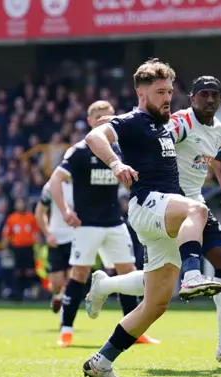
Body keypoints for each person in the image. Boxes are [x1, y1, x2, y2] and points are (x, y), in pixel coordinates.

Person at [85, 76, 221, 365]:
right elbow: (152, 132)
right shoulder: (179, 123)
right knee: (167, 277)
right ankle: (192, 277)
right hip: (167, 203)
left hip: (191, 205)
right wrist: (119, 134)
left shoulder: (218, 131)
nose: (208, 100)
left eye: (214, 95)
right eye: (202, 94)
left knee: (190, 278)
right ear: (191, 98)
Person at [81, 59, 221, 377]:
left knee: (156, 303)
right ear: (140, 93)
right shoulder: (132, 120)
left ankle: (102, 360)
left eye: (170, 92)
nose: (167, 98)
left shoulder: (165, 122)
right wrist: (116, 163)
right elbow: (95, 137)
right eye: (160, 92)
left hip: (164, 213)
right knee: (197, 211)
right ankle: (192, 275)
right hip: (147, 204)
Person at [48, 100, 156, 347]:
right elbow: (55, 180)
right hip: (87, 225)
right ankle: (66, 330)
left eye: (107, 117)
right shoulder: (80, 151)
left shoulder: (119, 151)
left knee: (128, 273)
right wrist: (65, 211)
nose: (103, 120)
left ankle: (134, 331)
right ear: (89, 121)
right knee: (79, 274)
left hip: (115, 223)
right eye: (97, 117)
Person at [35, 181, 74, 313]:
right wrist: (47, 234)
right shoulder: (51, 185)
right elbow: (40, 212)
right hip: (56, 239)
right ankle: (58, 295)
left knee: (72, 281)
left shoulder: (83, 183)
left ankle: (65, 322)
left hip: (75, 238)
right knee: (55, 283)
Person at [2, 198, 41, 301]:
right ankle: (18, 291)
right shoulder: (12, 218)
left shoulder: (31, 217)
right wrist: (5, 249)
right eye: (18, 203)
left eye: (22, 203)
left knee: (30, 270)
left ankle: (29, 290)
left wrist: (38, 247)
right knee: (18, 270)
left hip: (29, 247)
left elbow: (36, 233)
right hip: (17, 248)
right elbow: (6, 235)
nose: (20, 205)